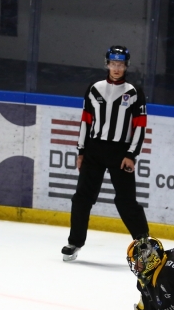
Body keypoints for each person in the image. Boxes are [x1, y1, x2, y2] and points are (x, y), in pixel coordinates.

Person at [62, 45, 149, 262]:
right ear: (107, 64)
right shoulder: (94, 89)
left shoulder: (134, 92)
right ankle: (75, 242)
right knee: (82, 198)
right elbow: (85, 121)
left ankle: (144, 244)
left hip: (121, 153)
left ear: (126, 66)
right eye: (113, 64)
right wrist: (81, 151)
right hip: (94, 149)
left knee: (126, 201)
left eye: (120, 64)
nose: (116, 68)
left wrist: (132, 154)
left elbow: (140, 126)